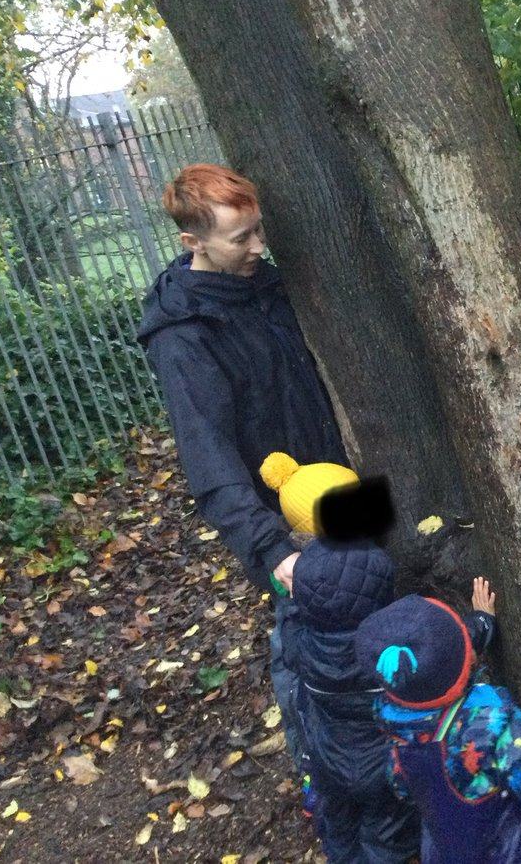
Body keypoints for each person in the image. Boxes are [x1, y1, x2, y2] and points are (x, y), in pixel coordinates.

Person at [136, 163, 349, 765]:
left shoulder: (270, 287)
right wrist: (271, 550)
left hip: (343, 487)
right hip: (288, 526)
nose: (260, 246)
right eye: (241, 238)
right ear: (193, 244)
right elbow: (209, 457)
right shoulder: (185, 335)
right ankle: (327, 781)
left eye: (259, 230)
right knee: (311, 654)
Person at [354, 581, 521, 864]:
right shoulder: (491, 729)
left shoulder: (397, 735)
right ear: (466, 663)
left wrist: (482, 623)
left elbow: (402, 788)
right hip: (518, 853)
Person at [269, 459, 420, 862]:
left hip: (328, 763)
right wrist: (481, 624)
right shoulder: (389, 646)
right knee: (386, 835)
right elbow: (440, 650)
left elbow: (292, 623)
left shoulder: (301, 644)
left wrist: (292, 597)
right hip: (382, 768)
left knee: (339, 829)